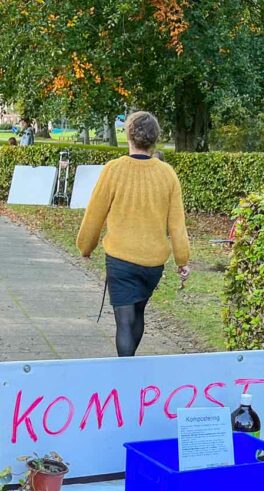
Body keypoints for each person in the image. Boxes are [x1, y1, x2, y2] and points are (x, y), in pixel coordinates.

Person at [76, 110, 190, 357]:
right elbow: (177, 224)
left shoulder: (113, 169)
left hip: (121, 260)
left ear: (128, 136)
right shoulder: (168, 174)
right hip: (153, 263)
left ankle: (125, 374)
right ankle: (130, 367)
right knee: (138, 313)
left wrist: (86, 247)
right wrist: (182, 260)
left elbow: (95, 213)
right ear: (155, 139)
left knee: (124, 321)